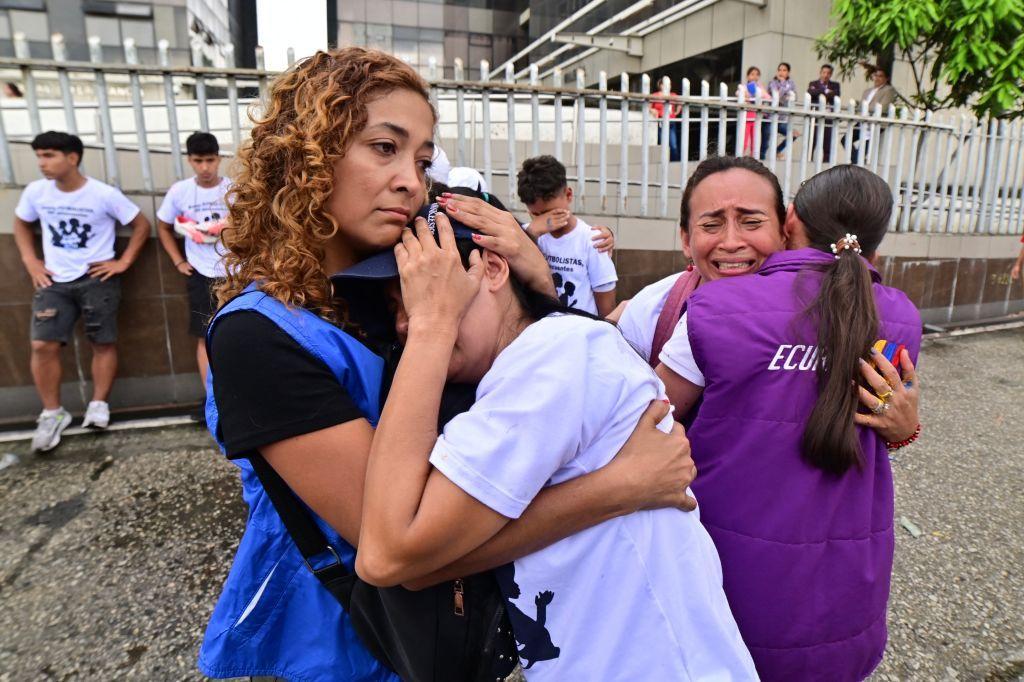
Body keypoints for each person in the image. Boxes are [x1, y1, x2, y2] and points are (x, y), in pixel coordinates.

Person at [200, 47, 698, 682]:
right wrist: (616, 490)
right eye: (385, 147)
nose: (411, 179)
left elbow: (535, 395)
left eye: (423, 159)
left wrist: (531, 277)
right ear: (307, 156)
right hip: (342, 641)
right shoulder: (257, 337)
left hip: (450, 628)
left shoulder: (396, 289)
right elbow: (403, 551)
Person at [354, 210, 758, 680]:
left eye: (422, 293)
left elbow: (386, 554)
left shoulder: (551, 359)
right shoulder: (545, 355)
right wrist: (616, 488)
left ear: (493, 268)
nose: (407, 323)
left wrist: (432, 327)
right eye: (397, 311)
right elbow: (411, 562)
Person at [655, 165, 922, 680]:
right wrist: (905, 430)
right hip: (847, 580)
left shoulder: (716, 307)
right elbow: (879, 418)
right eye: (714, 224)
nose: (732, 242)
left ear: (789, 220)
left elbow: (645, 421)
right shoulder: (899, 316)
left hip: (732, 567)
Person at [13, 131, 150, 451]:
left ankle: (98, 405)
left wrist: (122, 262)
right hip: (53, 281)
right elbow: (21, 223)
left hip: (96, 279)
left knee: (102, 342)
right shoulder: (36, 192)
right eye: (39, 156)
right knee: (42, 344)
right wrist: (31, 261)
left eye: (49, 155)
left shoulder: (102, 194)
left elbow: (141, 225)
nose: (42, 163)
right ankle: (52, 413)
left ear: (72, 158)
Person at [156, 132, 231, 388]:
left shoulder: (234, 190)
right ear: (190, 161)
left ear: (219, 159)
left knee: (237, 330)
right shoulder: (180, 191)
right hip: (200, 271)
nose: (205, 167)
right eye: (199, 161)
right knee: (204, 335)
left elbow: (252, 228)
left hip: (234, 270)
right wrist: (178, 261)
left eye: (210, 160)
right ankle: (211, 398)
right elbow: (163, 226)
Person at [516, 155, 617, 316]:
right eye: (536, 214)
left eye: (551, 212)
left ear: (569, 195)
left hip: (580, 334)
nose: (545, 221)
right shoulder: (526, 234)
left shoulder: (593, 240)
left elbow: (607, 309)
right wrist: (531, 233)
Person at [848, 66, 899, 163]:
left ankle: (857, 163)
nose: (877, 78)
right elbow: (862, 105)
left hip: (876, 123)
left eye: (880, 76)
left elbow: (883, 107)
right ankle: (856, 161)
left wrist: (866, 109)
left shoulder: (889, 90)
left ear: (886, 78)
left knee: (866, 146)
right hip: (863, 121)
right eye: (876, 76)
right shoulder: (868, 91)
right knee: (846, 139)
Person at [761, 62, 801, 159]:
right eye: (779, 70)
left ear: (788, 72)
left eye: (784, 70)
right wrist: (784, 89)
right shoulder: (772, 83)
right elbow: (777, 96)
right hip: (770, 117)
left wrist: (784, 93)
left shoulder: (791, 83)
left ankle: (777, 150)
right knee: (765, 141)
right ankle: (761, 157)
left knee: (794, 134)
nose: (781, 72)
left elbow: (794, 97)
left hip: (782, 118)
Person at [808, 64, 841, 162]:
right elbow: (811, 92)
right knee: (811, 143)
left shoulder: (835, 85)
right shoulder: (813, 83)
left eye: (828, 73)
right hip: (815, 117)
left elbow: (836, 94)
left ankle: (826, 166)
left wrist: (820, 91)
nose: (825, 75)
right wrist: (825, 90)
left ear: (831, 75)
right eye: (824, 72)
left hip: (828, 117)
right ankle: (808, 161)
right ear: (820, 72)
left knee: (827, 144)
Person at [743, 67, 769, 157]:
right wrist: (746, 94)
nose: (754, 76)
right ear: (747, 76)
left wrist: (759, 94)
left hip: (756, 118)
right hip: (746, 118)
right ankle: (740, 158)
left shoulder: (760, 88)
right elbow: (738, 93)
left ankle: (753, 158)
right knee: (744, 141)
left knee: (755, 141)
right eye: (752, 74)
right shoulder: (744, 87)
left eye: (757, 74)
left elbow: (768, 97)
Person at [650, 89, 682, 162]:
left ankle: (674, 163)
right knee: (662, 143)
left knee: (673, 145)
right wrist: (652, 110)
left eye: (670, 84)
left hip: (671, 121)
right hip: (660, 120)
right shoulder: (655, 95)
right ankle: (663, 161)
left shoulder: (673, 95)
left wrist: (676, 112)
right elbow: (649, 106)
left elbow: (680, 102)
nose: (668, 86)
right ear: (660, 85)